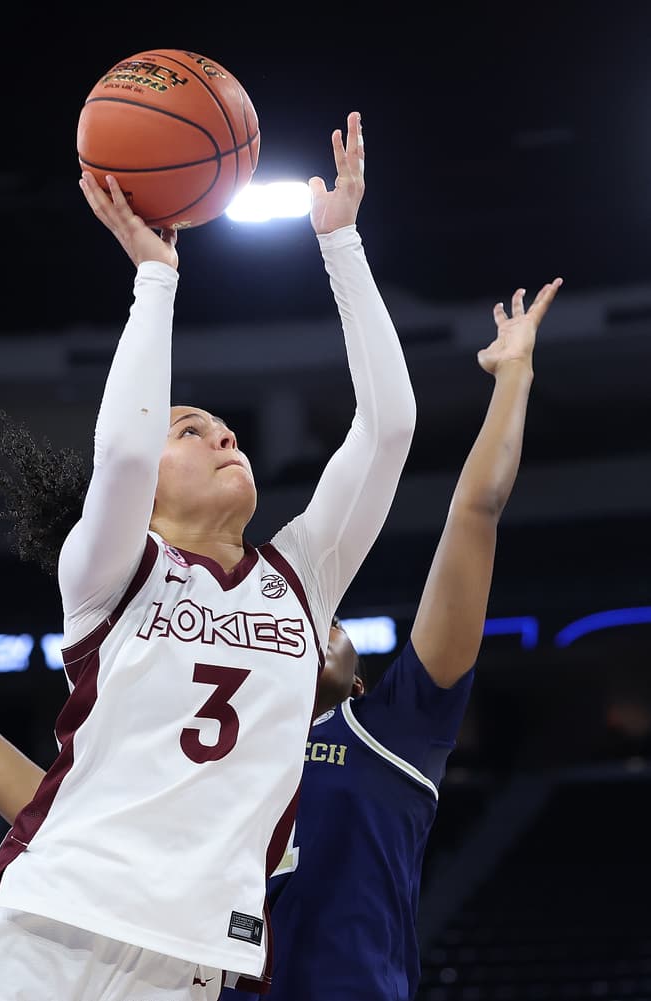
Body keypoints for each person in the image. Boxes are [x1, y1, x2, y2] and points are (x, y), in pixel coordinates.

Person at [0, 109, 417, 1001]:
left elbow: (389, 427)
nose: (223, 432)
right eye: (190, 428)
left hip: (198, 959)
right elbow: (123, 453)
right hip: (47, 927)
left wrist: (343, 244)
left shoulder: (298, 580)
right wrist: (156, 278)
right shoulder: (108, 577)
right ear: (146, 493)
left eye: (223, 426)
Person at [220, 277, 563, 1001]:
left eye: (333, 624)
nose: (316, 624)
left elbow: (477, 510)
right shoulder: (220, 735)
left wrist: (515, 378)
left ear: (361, 680)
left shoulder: (396, 727)